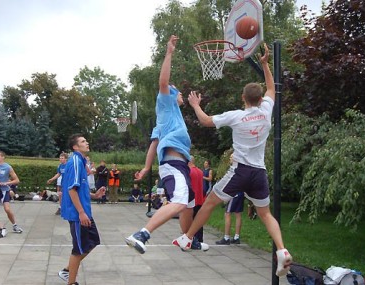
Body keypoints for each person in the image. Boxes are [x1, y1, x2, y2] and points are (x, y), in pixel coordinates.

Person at [172, 43, 293, 276]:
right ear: (259, 99)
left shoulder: (236, 116)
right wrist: (266, 64)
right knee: (266, 214)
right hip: (259, 173)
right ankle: (282, 249)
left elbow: (206, 121)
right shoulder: (267, 110)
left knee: (208, 202)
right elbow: (271, 88)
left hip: (240, 172)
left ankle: (188, 238)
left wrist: (196, 106)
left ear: (243, 98)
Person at [125, 35, 207, 254]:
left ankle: (188, 239)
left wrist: (145, 167)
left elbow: (154, 143)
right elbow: (163, 83)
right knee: (180, 202)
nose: (181, 94)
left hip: (177, 165)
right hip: (173, 164)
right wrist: (169, 53)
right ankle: (141, 234)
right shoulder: (166, 104)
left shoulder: (172, 117)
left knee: (188, 204)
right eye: (178, 91)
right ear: (171, 94)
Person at [58, 133, 105, 285]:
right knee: (78, 249)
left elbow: (79, 190)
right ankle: (71, 281)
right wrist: (81, 213)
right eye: (83, 141)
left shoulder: (81, 162)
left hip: (84, 212)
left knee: (93, 242)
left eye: (86, 140)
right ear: (75, 147)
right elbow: (71, 190)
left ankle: (67, 270)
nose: (87, 143)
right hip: (78, 215)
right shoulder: (76, 162)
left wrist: (95, 195)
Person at [216, 154, 244, 245]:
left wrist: (225, 196)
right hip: (240, 193)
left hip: (233, 194)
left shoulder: (234, 169)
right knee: (238, 214)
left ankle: (226, 237)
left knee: (227, 214)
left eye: (231, 157)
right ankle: (236, 237)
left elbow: (230, 183)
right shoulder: (242, 170)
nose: (230, 159)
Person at [0, 150, 23, 234]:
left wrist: (6, 183)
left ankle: (15, 225)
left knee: (7, 209)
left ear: (3, 157)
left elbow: (17, 180)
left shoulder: (8, 167)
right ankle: (2, 228)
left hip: (4, 191)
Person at [188, 156, 205, 242]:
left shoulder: (189, 171)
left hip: (192, 199)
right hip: (200, 198)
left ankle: (191, 238)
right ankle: (200, 238)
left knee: (190, 219)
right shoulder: (200, 172)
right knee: (198, 219)